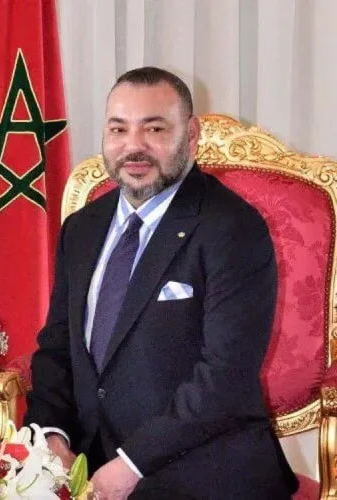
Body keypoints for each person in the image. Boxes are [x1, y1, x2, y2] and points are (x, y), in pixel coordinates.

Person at [23, 67, 298, 499]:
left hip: (204, 474)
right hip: (89, 467)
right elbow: (57, 350)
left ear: (191, 135)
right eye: (119, 129)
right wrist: (51, 436)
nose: (134, 146)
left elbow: (224, 378)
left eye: (154, 128)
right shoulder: (82, 228)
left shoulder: (232, 228)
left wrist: (130, 466)